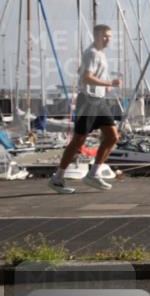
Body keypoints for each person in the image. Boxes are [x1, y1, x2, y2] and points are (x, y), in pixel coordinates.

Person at [48, 25, 122, 194]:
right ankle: (57, 179)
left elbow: (82, 71)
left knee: (112, 136)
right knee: (78, 141)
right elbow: (86, 77)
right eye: (104, 36)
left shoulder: (99, 54)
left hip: (99, 101)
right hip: (87, 102)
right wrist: (110, 83)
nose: (108, 39)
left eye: (109, 36)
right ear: (96, 36)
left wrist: (105, 86)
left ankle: (93, 174)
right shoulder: (92, 53)